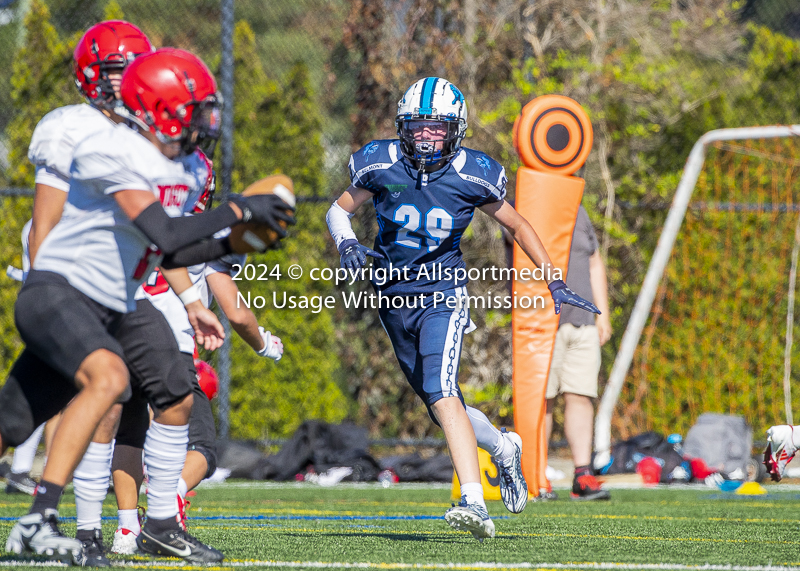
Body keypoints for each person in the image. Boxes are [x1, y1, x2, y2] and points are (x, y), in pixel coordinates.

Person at [0, 47, 294, 565]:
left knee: (175, 390)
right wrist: (239, 209)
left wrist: (236, 243)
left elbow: (169, 250)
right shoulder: (110, 148)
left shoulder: (188, 168)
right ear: (157, 108)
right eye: (194, 108)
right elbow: (161, 228)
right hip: (62, 290)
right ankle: (38, 521)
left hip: (119, 299)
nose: (206, 120)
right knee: (106, 381)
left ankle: (160, 523)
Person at [326, 77, 599, 540]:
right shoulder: (382, 161)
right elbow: (338, 210)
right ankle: (501, 445)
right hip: (392, 295)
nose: (425, 138)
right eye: (417, 128)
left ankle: (473, 500)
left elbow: (519, 224)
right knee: (438, 402)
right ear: (402, 128)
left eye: (437, 128)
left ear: (457, 129)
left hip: (443, 293)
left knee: (441, 387)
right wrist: (346, 242)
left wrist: (553, 278)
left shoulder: (474, 173)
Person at [111, 234, 285, 555]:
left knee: (130, 434)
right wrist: (266, 343)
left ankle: (125, 530)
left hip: (124, 335)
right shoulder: (210, 238)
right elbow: (235, 313)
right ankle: (170, 499)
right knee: (203, 448)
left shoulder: (145, 223)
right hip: (170, 348)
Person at [543, 205, 612, 501]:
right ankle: (536, 474)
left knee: (581, 395)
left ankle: (582, 475)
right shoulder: (533, 200)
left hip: (583, 323)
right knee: (541, 400)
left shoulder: (580, 210)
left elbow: (594, 262)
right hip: (543, 322)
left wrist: (603, 314)